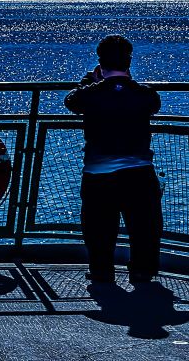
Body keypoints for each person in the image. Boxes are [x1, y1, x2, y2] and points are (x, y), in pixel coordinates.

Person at [64, 35, 162, 284]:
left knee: (98, 228)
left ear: (100, 62)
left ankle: (101, 271)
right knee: (144, 226)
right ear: (129, 60)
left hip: (98, 171)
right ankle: (142, 271)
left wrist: (90, 82)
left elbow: (71, 101)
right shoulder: (144, 94)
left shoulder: (90, 94)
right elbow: (152, 103)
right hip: (139, 170)